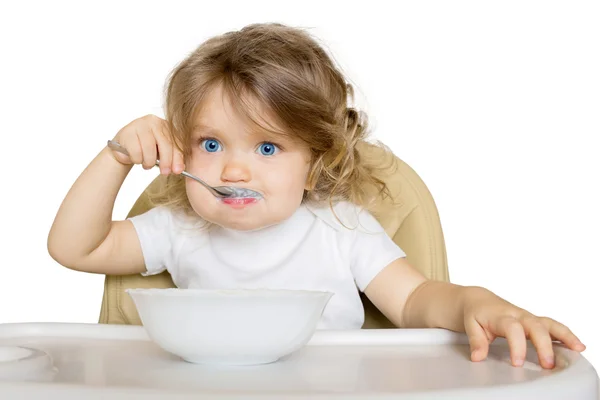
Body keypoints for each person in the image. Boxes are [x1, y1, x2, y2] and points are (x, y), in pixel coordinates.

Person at [47, 22, 585, 370]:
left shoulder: (340, 230)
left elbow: (417, 302)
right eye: (210, 143)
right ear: (183, 153)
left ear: (314, 165)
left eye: (267, 147)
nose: (233, 168)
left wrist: (477, 302)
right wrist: (117, 155)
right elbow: (76, 248)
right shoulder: (178, 226)